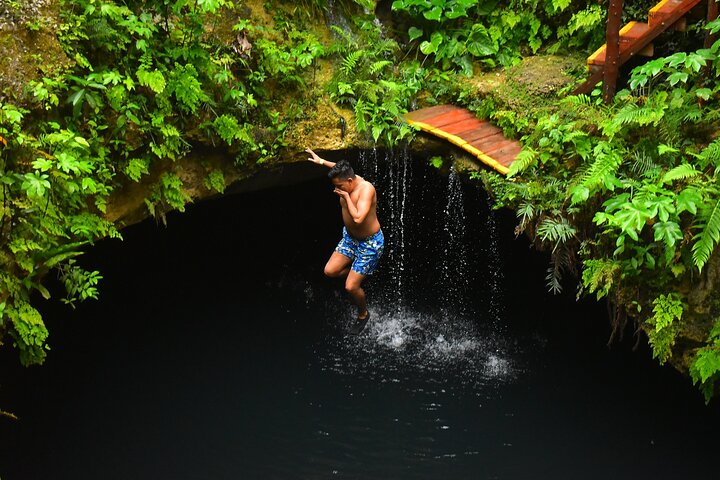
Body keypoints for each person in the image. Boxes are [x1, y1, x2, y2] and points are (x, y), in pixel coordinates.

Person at [306, 148, 384, 333]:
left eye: (340, 186)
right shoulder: (347, 177)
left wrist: (347, 197)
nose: (337, 189)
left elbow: (358, 218)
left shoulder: (366, 190)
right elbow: (341, 169)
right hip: (350, 238)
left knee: (350, 287)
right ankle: (361, 273)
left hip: (369, 243)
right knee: (330, 271)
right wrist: (322, 161)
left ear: (350, 182)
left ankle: (363, 314)